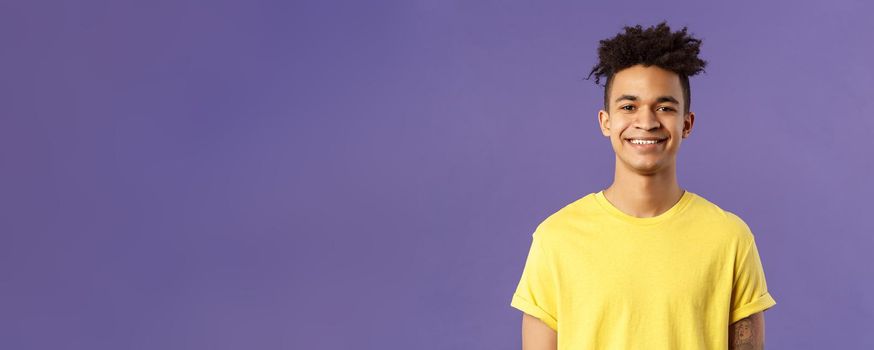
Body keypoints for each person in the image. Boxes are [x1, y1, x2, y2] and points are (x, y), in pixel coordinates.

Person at [509, 21, 776, 349]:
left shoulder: (730, 238)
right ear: (605, 122)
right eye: (628, 106)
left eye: (664, 107)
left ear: (687, 124)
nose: (647, 122)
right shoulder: (556, 239)